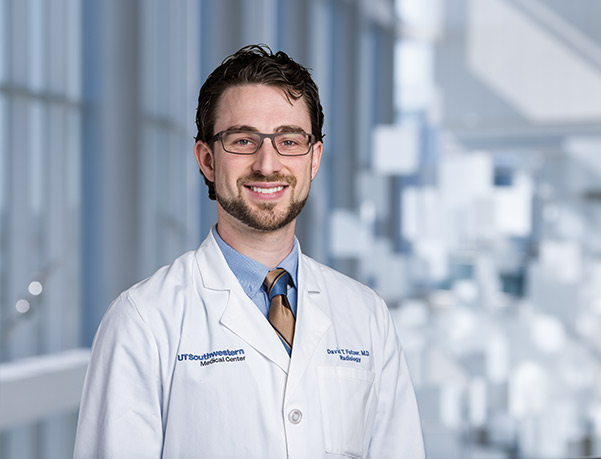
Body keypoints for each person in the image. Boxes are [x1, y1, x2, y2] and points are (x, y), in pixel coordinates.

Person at [74, 44, 425, 459]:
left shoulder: (366, 316)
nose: (266, 163)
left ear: (313, 159)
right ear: (206, 160)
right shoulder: (143, 321)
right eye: (243, 140)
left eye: (289, 140)